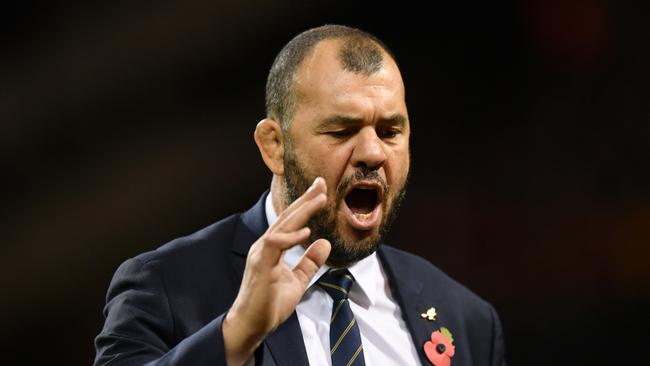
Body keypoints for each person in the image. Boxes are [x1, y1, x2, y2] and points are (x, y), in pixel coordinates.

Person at [94, 24, 506, 366]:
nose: (373, 153)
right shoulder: (165, 286)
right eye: (341, 131)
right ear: (274, 145)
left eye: (390, 131)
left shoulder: (466, 319)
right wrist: (235, 335)